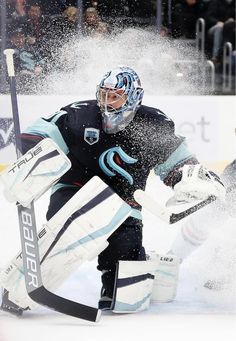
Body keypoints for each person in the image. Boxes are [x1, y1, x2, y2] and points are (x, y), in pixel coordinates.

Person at [1, 66, 225, 314]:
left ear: (133, 97)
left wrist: (194, 181)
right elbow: (42, 133)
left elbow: (179, 164)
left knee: (127, 297)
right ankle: (18, 286)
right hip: (74, 191)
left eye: (115, 95)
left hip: (126, 202)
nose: (106, 101)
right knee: (75, 227)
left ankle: (132, 274)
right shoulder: (79, 115)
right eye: (103, 94)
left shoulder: (153, 124)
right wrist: (34, 156)